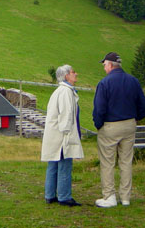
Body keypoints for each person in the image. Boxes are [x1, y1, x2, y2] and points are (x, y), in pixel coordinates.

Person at [92, 52, 145, 208]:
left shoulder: (104, 83)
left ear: (110, 65)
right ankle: (125, 197)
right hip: (129, 124)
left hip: (110, 126)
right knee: (126, 161)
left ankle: (109, 196)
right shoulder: (133, 81)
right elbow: (143, 106)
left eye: (104, 65)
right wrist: (135, 118)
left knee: (108, 162)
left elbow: (99, 109)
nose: (104, 68)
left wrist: (98, 124)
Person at [41, 64, 84, 207]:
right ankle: (64, 197)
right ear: (66, 76)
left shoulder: (59, 91)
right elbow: (66, 115)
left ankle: (50, 195)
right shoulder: (66, 92)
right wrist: (68, 135)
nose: (76, 74)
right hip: (62, 135)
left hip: (54, 134)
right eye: (73, 72)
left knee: (53, 163)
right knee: (64, 164)